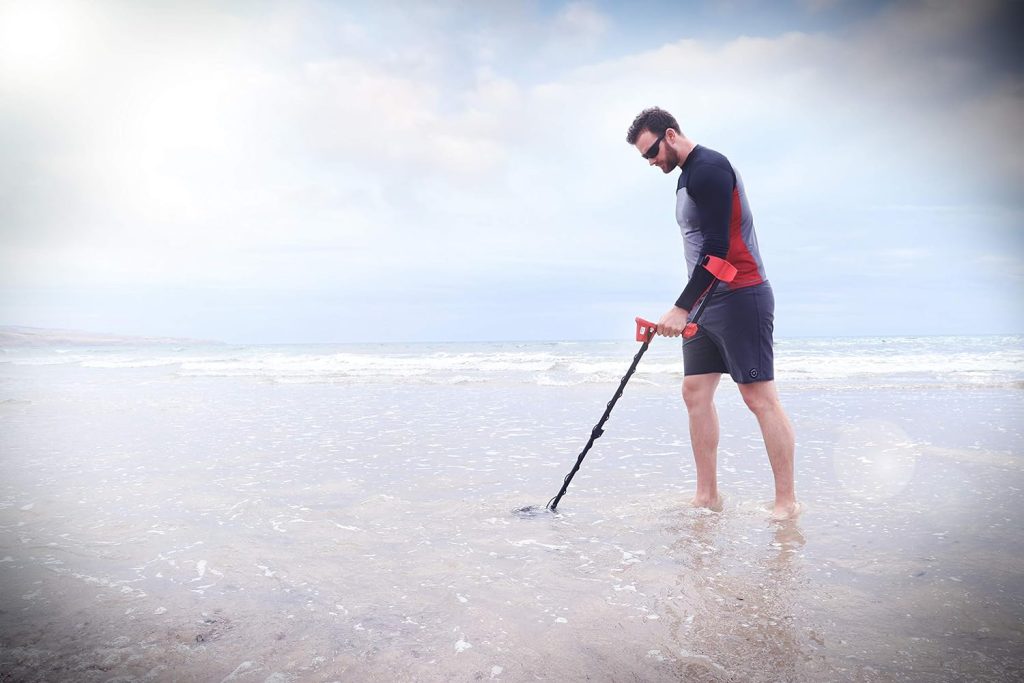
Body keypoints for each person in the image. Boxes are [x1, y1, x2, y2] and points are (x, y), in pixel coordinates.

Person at [625, 106, 799, 520]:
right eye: (644, 158)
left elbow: (718, 249)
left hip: (742, 296)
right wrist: (691, 305)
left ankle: (786, 503)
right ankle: (707, 496)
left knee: (759, 398)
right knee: (695, 393)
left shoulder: (710, 170)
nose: (651, 163)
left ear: (670, 134)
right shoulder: (685, 177)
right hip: (707, 301)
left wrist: (681, 307)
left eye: (651, 152)